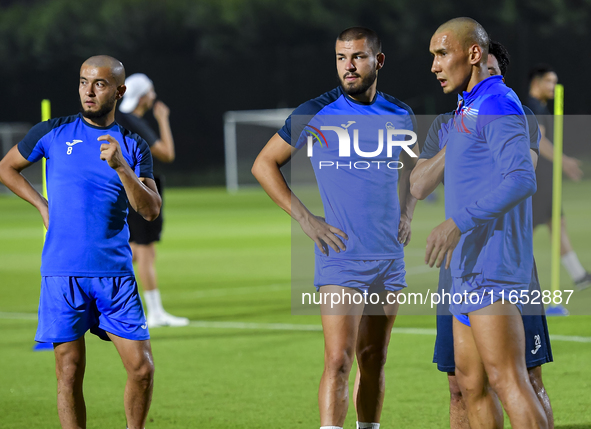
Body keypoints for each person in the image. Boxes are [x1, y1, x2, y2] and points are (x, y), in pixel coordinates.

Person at [252, 27, 418, 429]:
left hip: (387, 258)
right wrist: (308, 222)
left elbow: (413, 169)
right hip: (341, 258)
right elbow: (263, 164)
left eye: (358, 57)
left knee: (374, 359)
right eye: (342, 57)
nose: (349, 66)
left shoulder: (401, 113)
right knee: (339, 360)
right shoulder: (315, 111)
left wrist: (408, 211)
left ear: (378, 61)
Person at [0, 55, 160, 429]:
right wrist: (41, 205)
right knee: (68, 372)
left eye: (100, 84)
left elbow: (150, 210)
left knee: (141, 369)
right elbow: (6, 168)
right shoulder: (52, 132)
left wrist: (121, 167)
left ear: (119, 91)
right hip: (63, 274)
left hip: (115, 275)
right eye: (84, 82)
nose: (89, 91)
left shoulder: (133, 145)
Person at [411, 40, 554, 429]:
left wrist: (458, 221)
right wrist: (459, 130)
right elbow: (418, 185)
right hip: (461, 267)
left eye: (442, 55)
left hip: (497, 264)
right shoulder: (457, 115)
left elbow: (523, 175)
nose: (435, 66)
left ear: (477, 59)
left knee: (516, 379)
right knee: (469, 385)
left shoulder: (505, 107)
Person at [116, 73, 189, 327]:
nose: (154, 96)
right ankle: (155, 313)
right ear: (143, 96)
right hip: (141, 189)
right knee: (145, 251)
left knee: (131, 251)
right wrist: (163, 119)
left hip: (126, 189)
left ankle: (97, 302)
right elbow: (167, 153)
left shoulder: (118, 119)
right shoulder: (133, 122)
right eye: (151, 91)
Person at [526, 64, 590, 290]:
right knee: (526, 230)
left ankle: (579, 275)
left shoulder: (541, 107)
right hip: (536, 179)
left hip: (544, 179)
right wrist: (565, 161)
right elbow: (539, 141)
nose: (553, 86)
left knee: (557, 223)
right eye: (549, 82)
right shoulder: (533, 107)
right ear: (536, 82)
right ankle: (512, 274)